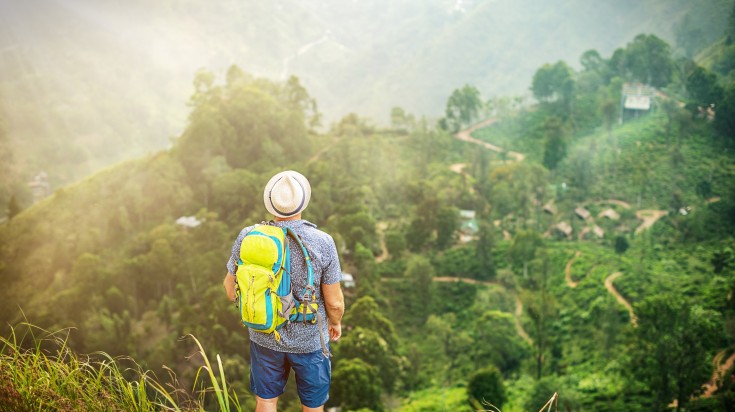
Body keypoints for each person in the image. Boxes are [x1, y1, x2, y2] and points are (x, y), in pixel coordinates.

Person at [223, 170, 345, 412]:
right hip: (310, 340)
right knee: (312, 406)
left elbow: (230, 289)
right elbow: (334, 303)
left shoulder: (248, 236)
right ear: (302, 202)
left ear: (271, 204)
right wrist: (336, 322)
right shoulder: (323, 241)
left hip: (264, 335)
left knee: (266, 402)